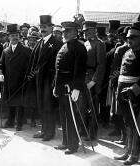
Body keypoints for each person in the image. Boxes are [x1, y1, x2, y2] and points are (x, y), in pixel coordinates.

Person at [113, 22, 140, 165]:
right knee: (127, 123)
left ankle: (134, 154)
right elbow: (122, 73)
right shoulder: (126, 52)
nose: (128, 40)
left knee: (135, 123)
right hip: (122, 92)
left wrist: (133, 90)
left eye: (132, 38)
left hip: (135, 95)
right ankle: (127, 150)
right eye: (127, 38)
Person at [25, 15, 61, 141]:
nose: (43, 29)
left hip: (49, 81)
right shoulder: (39, 43)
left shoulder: (56, 44)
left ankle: (50, 132)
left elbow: (58, 66)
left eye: (45, 27)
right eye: (41, 27)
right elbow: (33, 63)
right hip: (39, 81)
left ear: (51, 28)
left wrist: (55, 83)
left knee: (49, 107)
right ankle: (44, 129)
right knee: (41, 106)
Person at [53, 21, 87, 154]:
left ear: (75, 32)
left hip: (71, 89)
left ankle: (73, 145)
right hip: (62, 88)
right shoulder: (64, 46)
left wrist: (77, 88)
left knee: (72, 117)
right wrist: (56, 86)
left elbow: (80, 70)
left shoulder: (80, 47)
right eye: (63, 31)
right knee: (63, 116)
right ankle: (65, 142)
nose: (64, 33)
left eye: (67, 31)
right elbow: (58, 69)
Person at [0, 24, 31, 131]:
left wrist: (27, 79)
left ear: (19, 36)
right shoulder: (5, 51)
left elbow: (30, 67)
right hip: (9, 82)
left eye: (16, 35)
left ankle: (19, 124)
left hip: (21, 81)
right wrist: (1, 74)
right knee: (10, 101)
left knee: (20, 103)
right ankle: (10, 122)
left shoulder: (26, 50)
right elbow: (0, 65)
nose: (14, 37)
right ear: (9, 37)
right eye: (12, 36)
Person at [81, 21, 107, 140]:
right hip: (84, 79)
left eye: (87, 31)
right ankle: (84, 130)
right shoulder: (86, 43)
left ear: (94, 31)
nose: (85, 33)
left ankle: (92, 133)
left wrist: (94, 81)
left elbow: (101, 65)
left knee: (93, 108)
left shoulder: (99, 44)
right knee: (83, 106)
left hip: (92, 80)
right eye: (84, 31)